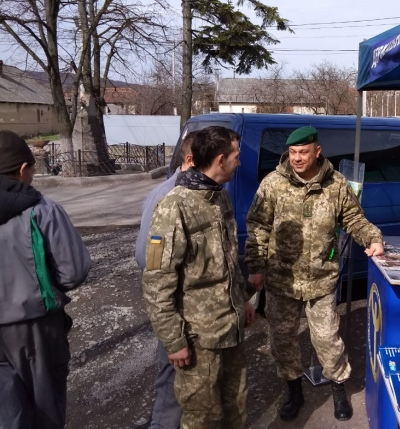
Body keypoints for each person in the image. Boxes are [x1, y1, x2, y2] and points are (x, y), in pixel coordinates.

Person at [245, 125, 385, 422]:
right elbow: (257, 227)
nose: (296, 158)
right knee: (282, 342)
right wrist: (256, 267)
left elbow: (354, 218)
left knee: (327, 340)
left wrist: (372, 238)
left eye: (303, 152)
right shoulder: (273, 184)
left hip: (321, 280)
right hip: (281, 281)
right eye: (293, 152)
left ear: (317, 151)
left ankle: (338, 389)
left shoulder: (336, 184)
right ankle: (294, 391)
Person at [142, 126, 254, 429]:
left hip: (230, 329)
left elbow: (230, 261)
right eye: (236, 156)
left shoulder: (220, 199)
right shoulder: (173, 207)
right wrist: (173, 340)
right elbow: (157, 282)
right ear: (220, 160)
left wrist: (242, 300)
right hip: (198, 338)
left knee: (236, 406)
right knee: (202, 416)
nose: (239, 162)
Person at [0, 130, 91, 429]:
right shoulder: (41, 210)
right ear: (23, 169)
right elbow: (73, 271)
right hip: (34, 329)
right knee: (44, 412)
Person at [135, 130, 197, 429]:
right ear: (191, 160)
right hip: (176, 306)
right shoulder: (169, 197)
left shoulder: (197, 193)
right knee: (173, 377)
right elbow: (148, 258)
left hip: (194, 308)